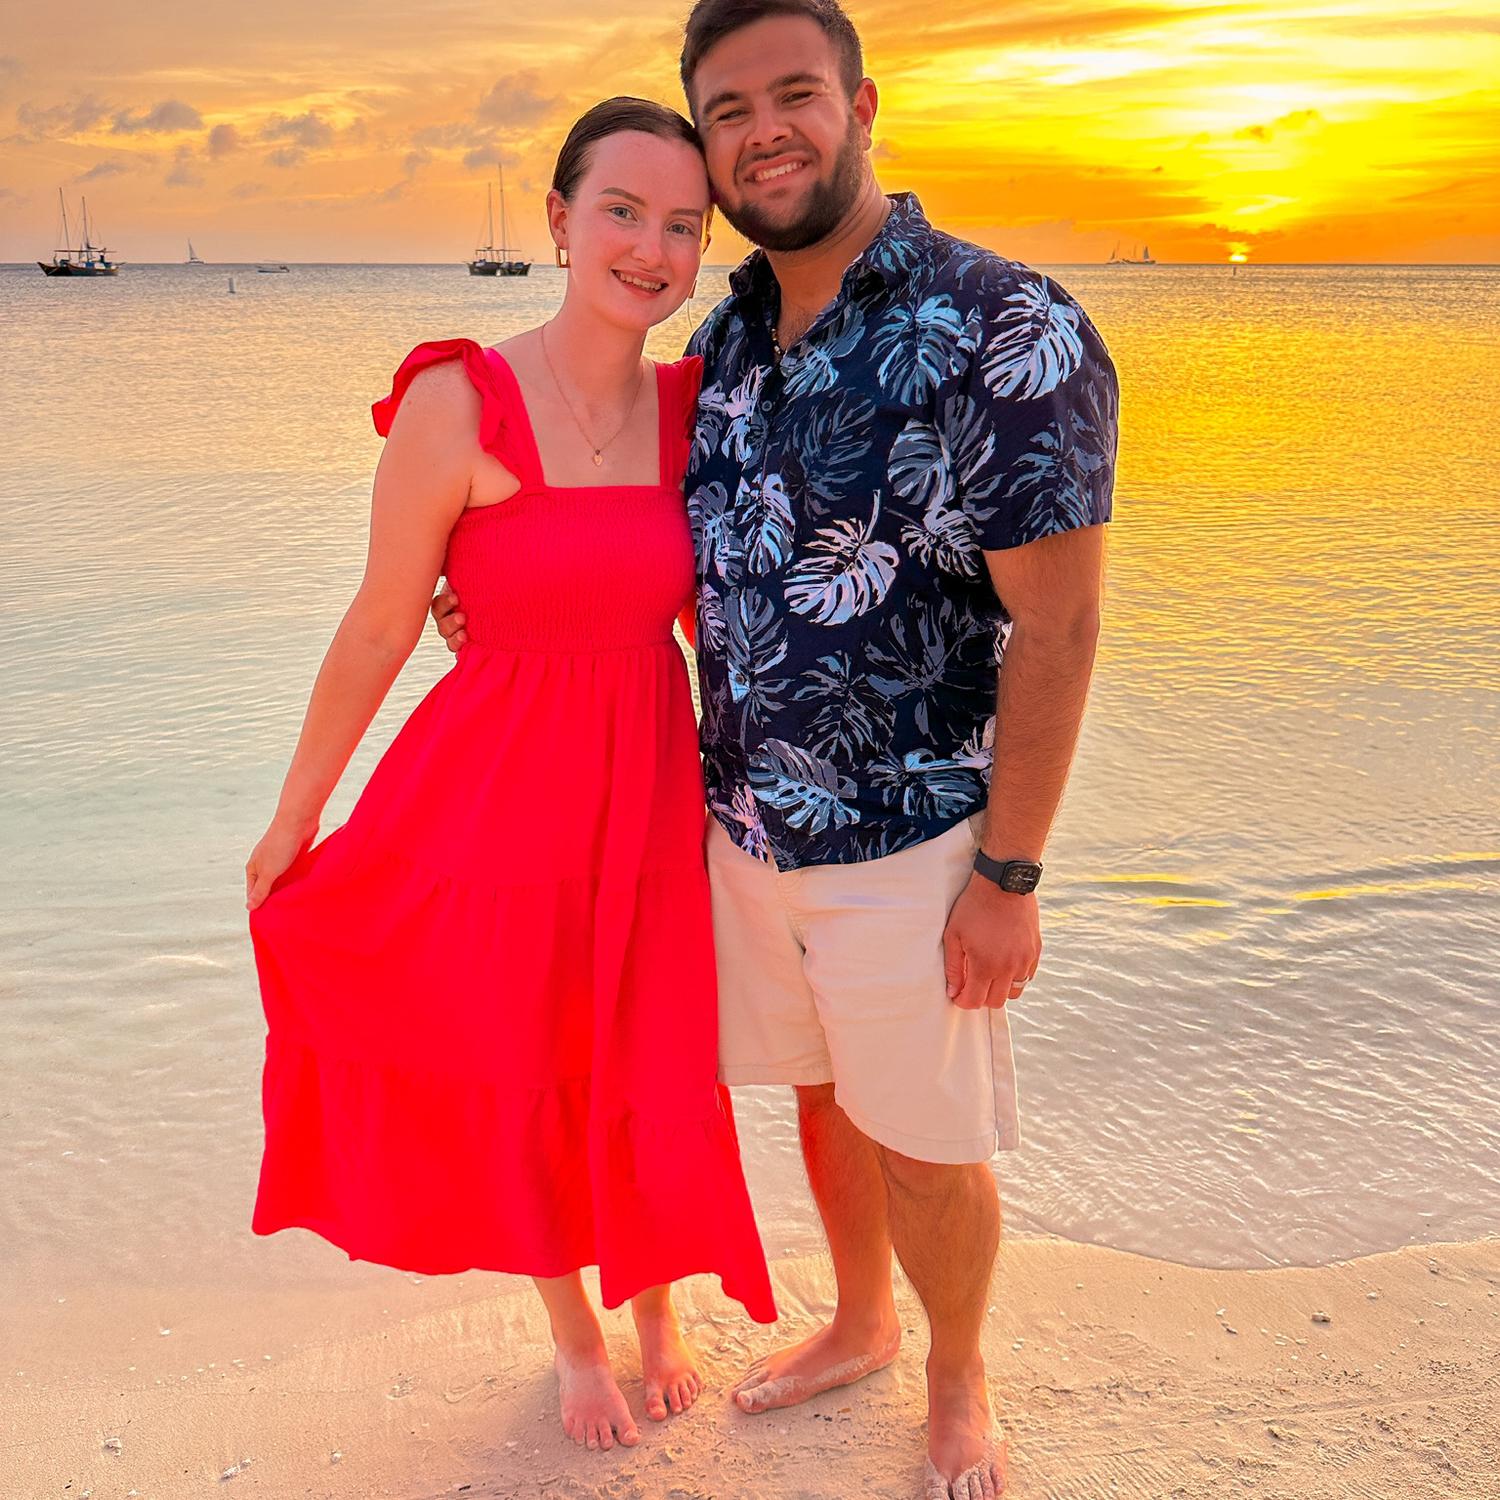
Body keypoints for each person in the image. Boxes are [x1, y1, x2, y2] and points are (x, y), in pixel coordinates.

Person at [439, 7, 1117, 1497]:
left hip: (917, 839)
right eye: (729, 108)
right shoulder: (726, 338)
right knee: (823, 1095)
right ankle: (862, 1322)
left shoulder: (1008, 329)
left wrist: (1010, 872)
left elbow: (1059, 636)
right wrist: (482, 591)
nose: (765, 131)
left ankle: (958, 1375)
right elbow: (624, 534)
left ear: (863, 102)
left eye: (794, 94)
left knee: (929, 1140)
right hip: (739, 830)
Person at [244, 96, 776, 1455]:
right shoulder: (456, 398)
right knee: (532, 1049)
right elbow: (381, 617)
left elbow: (718, 610)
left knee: (652, 1046)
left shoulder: (695, 401)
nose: (651, 249)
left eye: (680, 225)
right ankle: (577, 1336)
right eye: (621, 211)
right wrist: (297, 815)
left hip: (650, 783)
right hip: (500, 791)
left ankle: (657, 1302)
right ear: (556, 220)